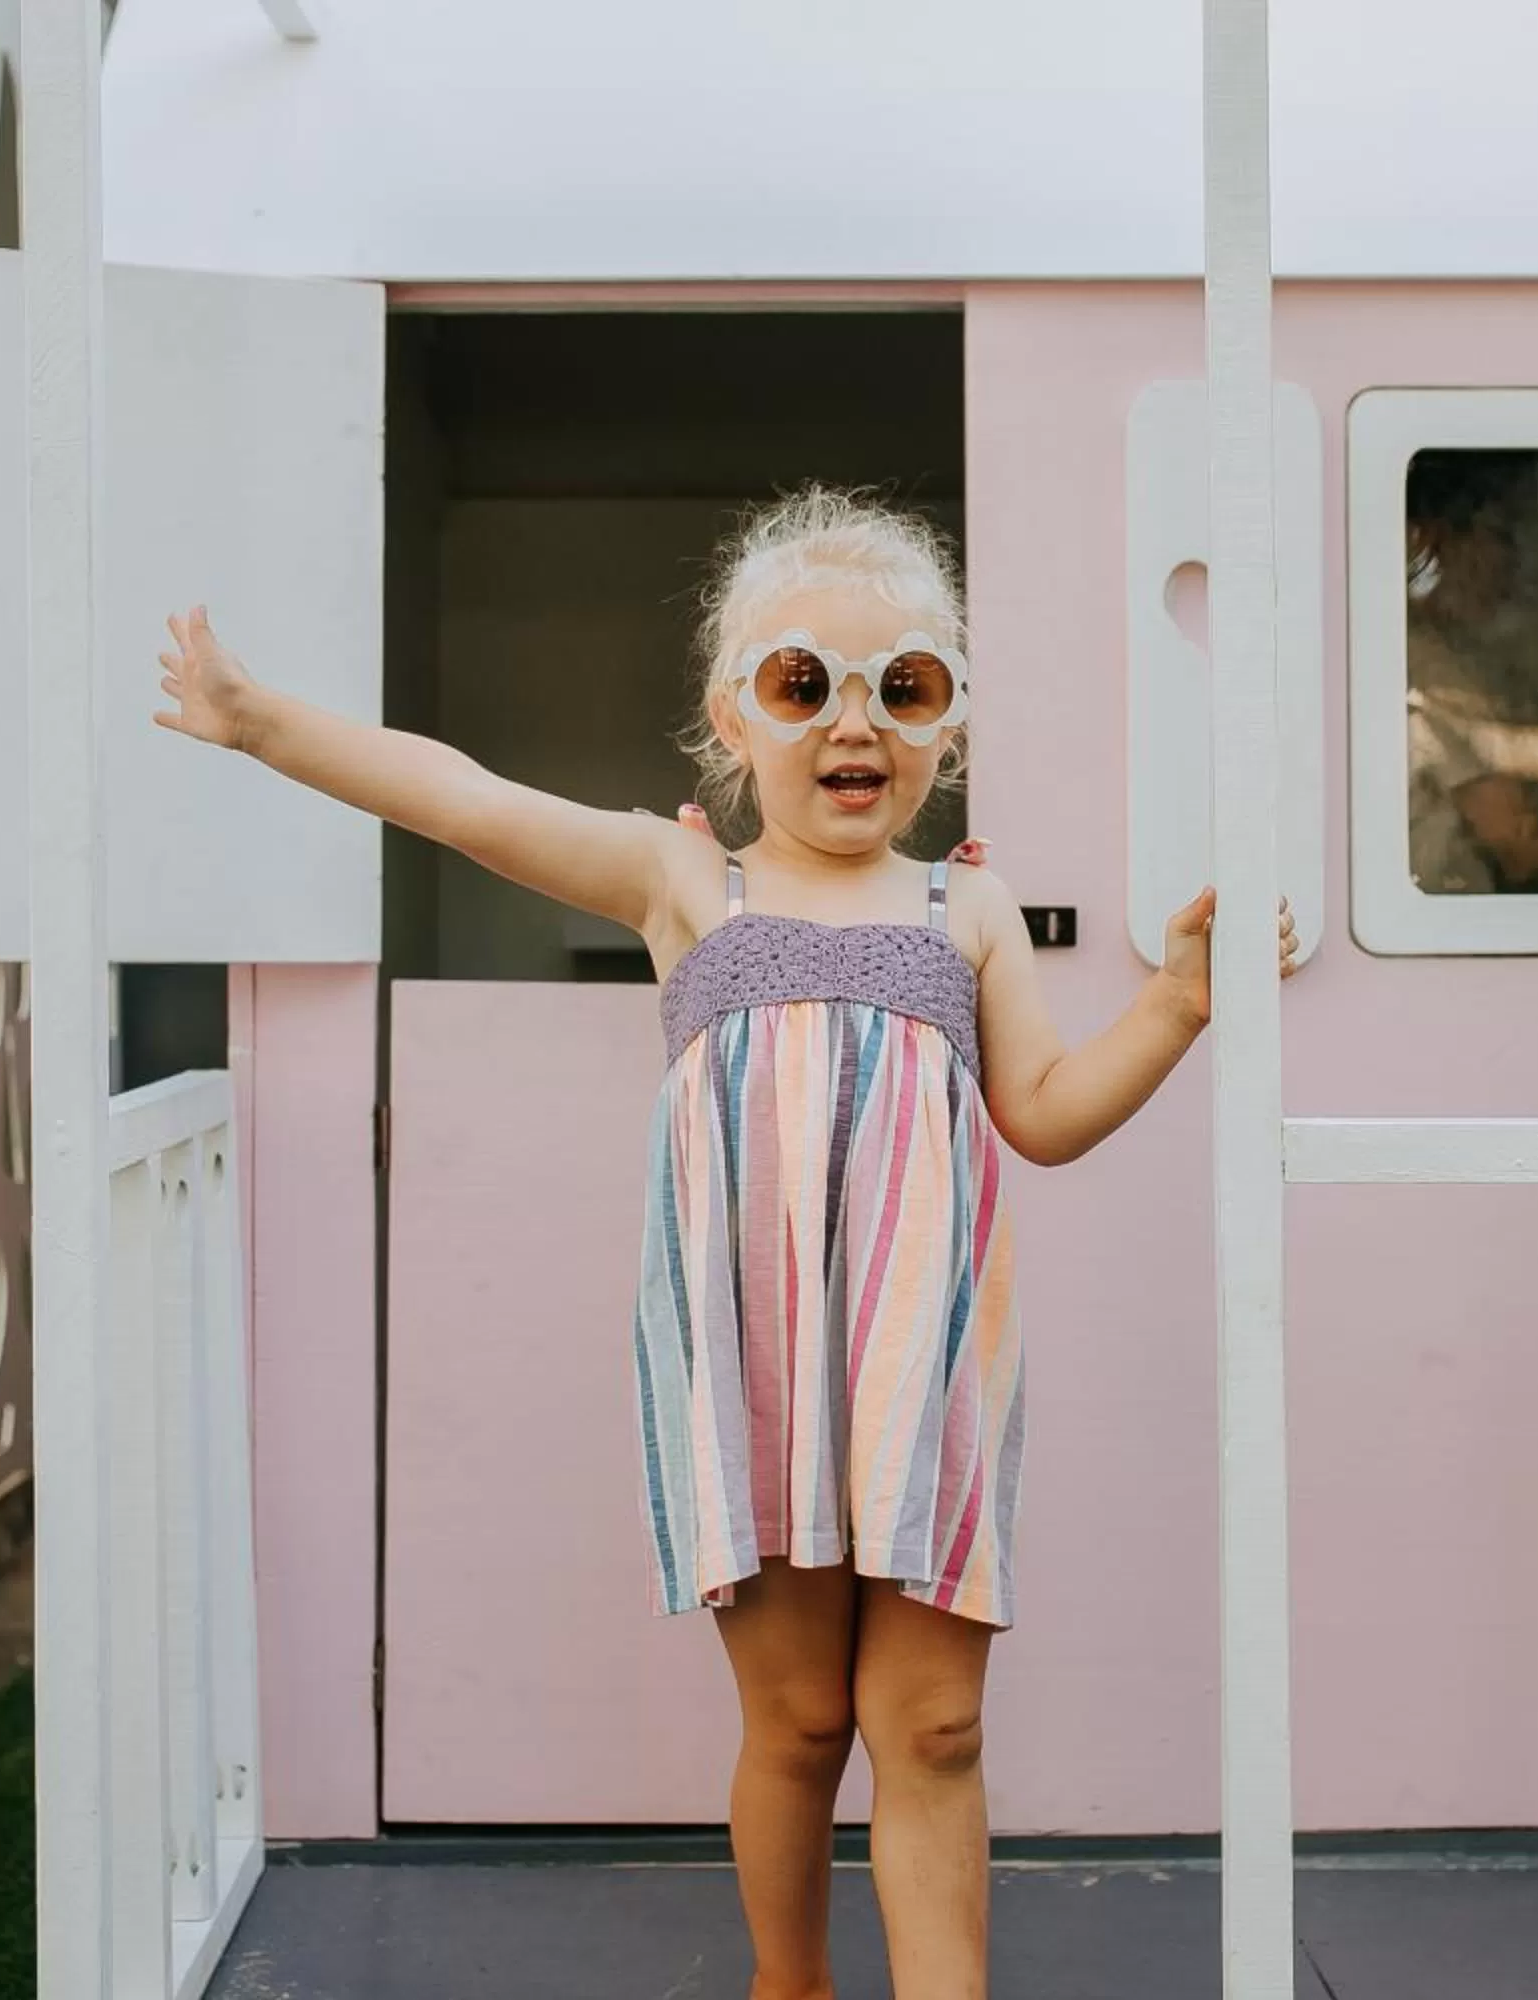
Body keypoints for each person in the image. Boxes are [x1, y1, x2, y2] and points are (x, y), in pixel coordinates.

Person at [153, 485, 1297, 2000]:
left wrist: (1174, 1004)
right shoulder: (691, 881)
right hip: (752, 1381)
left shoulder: (968, 907)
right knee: (802, 1724)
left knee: (936, 1727)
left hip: (921, 1381)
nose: (855, 721)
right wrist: (256, 723)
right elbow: (465, 798)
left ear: (946, 723)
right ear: (734, 718)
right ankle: (790, 1983)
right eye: (803, 682)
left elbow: (1045, 1112)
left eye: (903, 686)